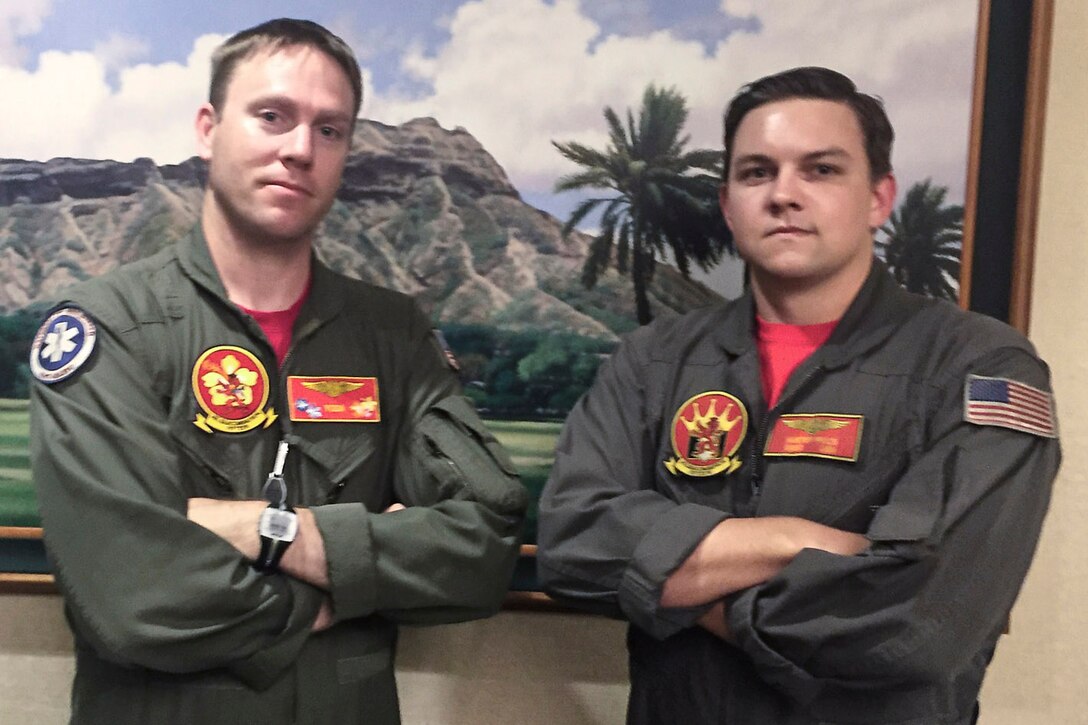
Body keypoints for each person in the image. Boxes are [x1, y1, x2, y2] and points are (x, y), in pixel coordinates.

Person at [29, 18, 526, 725]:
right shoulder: (108, 326)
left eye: (330, 130)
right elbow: (134, 599)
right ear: (209, 128)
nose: (300, 149)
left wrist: (271, 532)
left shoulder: (393, 335)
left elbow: (482, 547)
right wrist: (344, 586)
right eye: (272, 116)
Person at [537, 66, 1059, 724]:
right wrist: (790, 541)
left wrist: (676, 585)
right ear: (728, 205)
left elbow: (920, 622)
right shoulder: (654, 360)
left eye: (820, 170)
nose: (784, 194)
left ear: (878, 197)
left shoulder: (978, 365)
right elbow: (573, 544)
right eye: (757, 172)